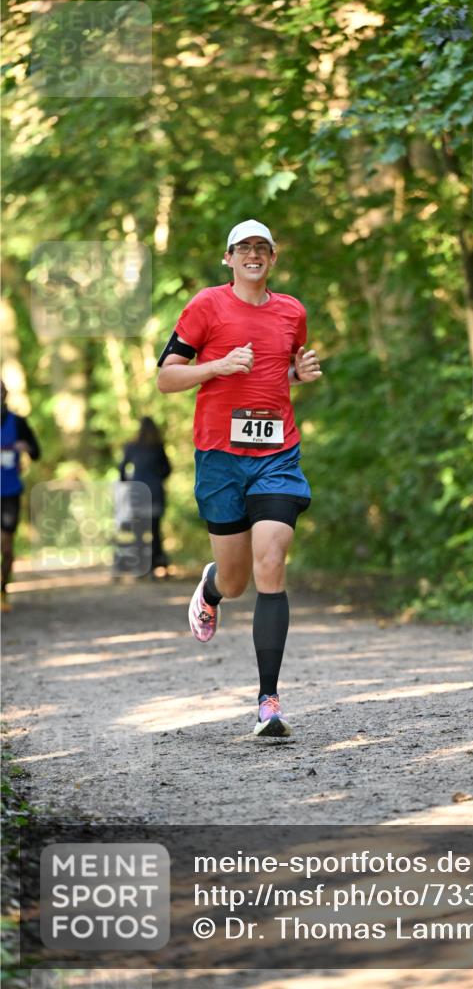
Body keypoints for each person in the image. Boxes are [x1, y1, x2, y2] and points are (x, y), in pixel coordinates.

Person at [156, 220, 321, 737]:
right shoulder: (206, 306)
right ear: (229, 258)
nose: (254, 255)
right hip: (220, 459)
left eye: (262, 248)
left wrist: (301, 374)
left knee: (270, 563)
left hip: (277, 454)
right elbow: (165, 378)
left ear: (273, 258)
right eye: (244, 248)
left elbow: (278, 370)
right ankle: (210, 587)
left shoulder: (292, 311)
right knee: (236, 580)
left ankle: (268, 701)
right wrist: (218, 366)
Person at [1, 380, 41, 612]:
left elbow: (37, 452)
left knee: (5, 546)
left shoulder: (18, 422)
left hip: (9, 492)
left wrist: (25, 447)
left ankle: (2, 590)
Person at [119, 417, 172, 575]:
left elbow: (122, 468)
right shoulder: (157, 446)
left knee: (139, 530)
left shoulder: (132, 446)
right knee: (155, 529)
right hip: (155, 491)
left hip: (138, 493)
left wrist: (129, 482)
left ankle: (141, 565)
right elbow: (168, 469)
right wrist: (157, 477)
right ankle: (156, 562)